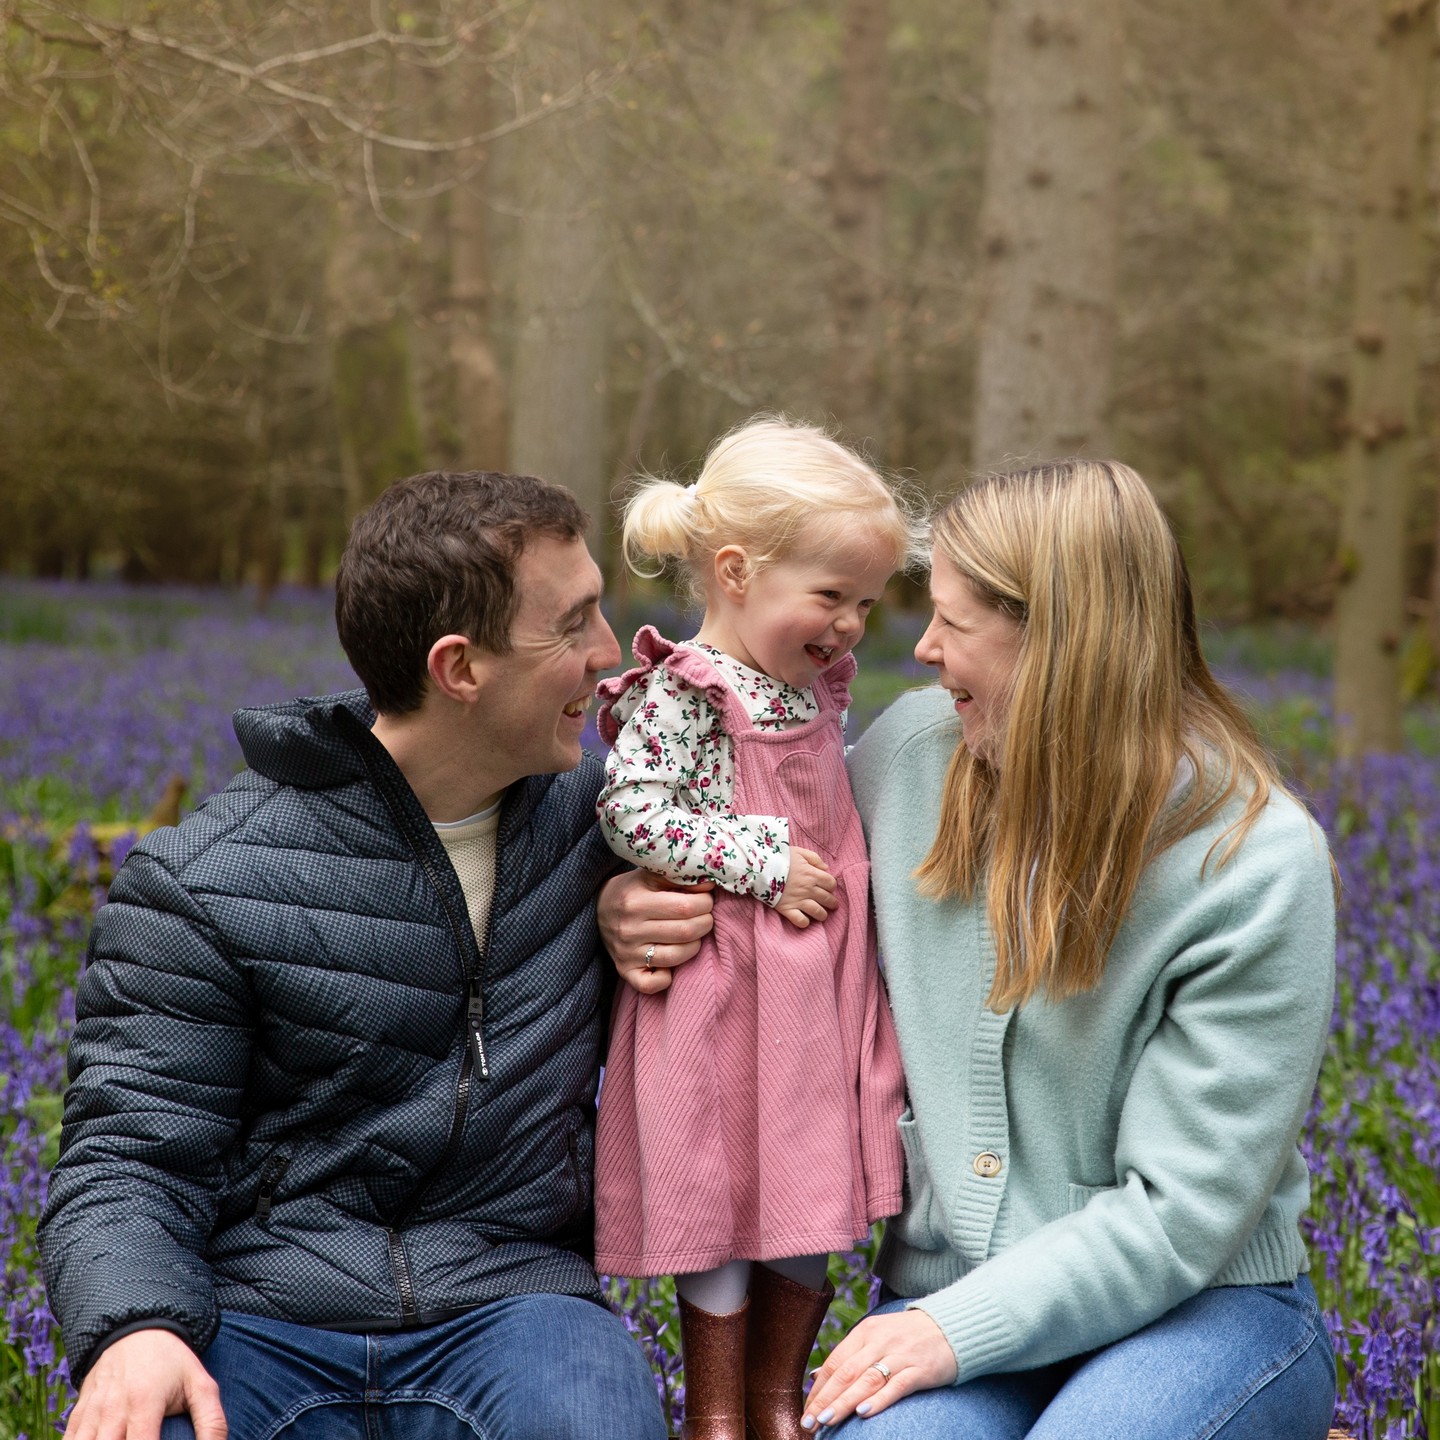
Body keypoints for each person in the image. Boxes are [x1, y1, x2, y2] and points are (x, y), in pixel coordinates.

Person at [606, 459, 1339, 1439]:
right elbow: (746, 847)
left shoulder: (1253, 862)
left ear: (1060, 640)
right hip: (943, 1318)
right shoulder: (910, 759)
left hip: (1200, 1311)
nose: (924, 652)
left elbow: (1182, 1213)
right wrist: (631, 900)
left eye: (954, 621)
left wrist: (954, 1328)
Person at [38, 470, 669, 1440]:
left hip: (512, 1303)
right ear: (460, 668)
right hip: (262, 1311)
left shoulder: (610, 829)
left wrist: (642, 895)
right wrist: (137, 1326)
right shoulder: (206, 880)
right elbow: (130, 1153)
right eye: (573, 623)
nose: (609, 656)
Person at [591, 418, 914, 1440]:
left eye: (867, 602)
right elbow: (630, 811)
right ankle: (718, 1408)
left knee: (804, 1184)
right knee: (724, 1187)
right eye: (830, 598)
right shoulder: (687, 691)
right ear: (734, 572)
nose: (852, 625)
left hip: (813, 991)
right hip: (721, 991)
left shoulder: (813, 687)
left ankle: (777, 1396)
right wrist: (760, 859)